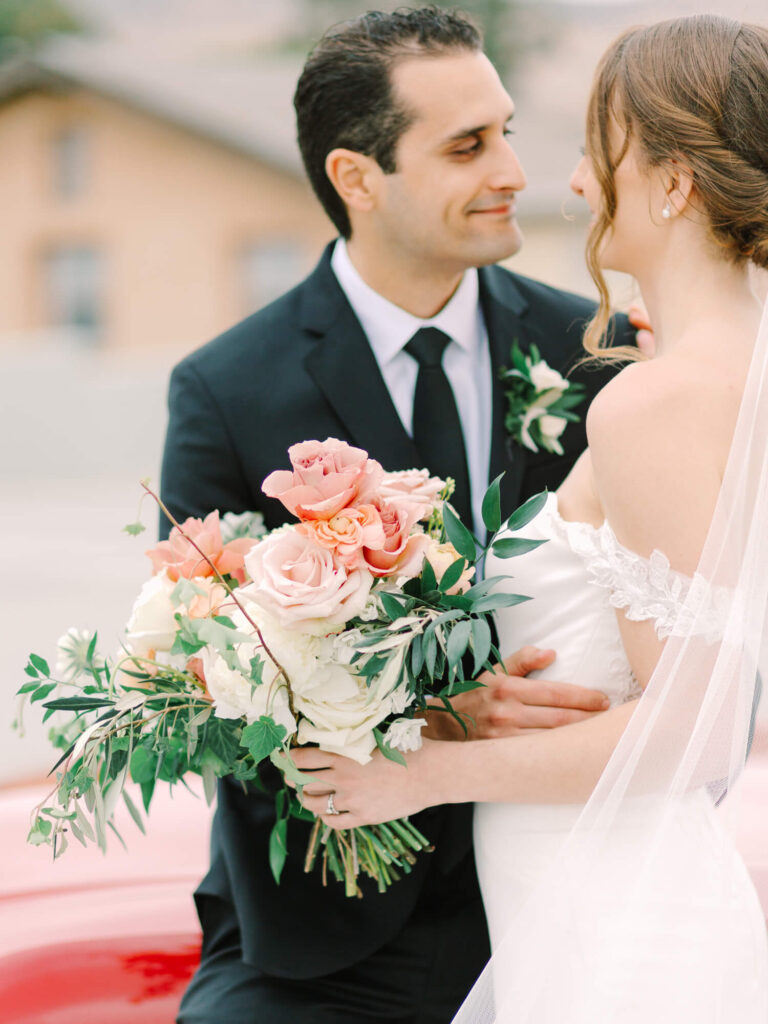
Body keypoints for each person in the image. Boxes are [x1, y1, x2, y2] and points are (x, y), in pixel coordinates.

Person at [160, 7, 636, 1022]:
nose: (513, 168)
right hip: (320, 940)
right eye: (469, 145)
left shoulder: (597, 353)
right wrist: (420, 713)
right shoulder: (225, 389)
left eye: (506, 129)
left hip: (564, 896)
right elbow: (199, 682)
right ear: (356, 178)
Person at [293, 14, 768, 1022]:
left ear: (676, 182)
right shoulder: (707, 378)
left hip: (620, 926)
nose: (577, 184)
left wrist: (422, 773)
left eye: (601, 152)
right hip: (596, 899)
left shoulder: (655, 402)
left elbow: (702, 725)